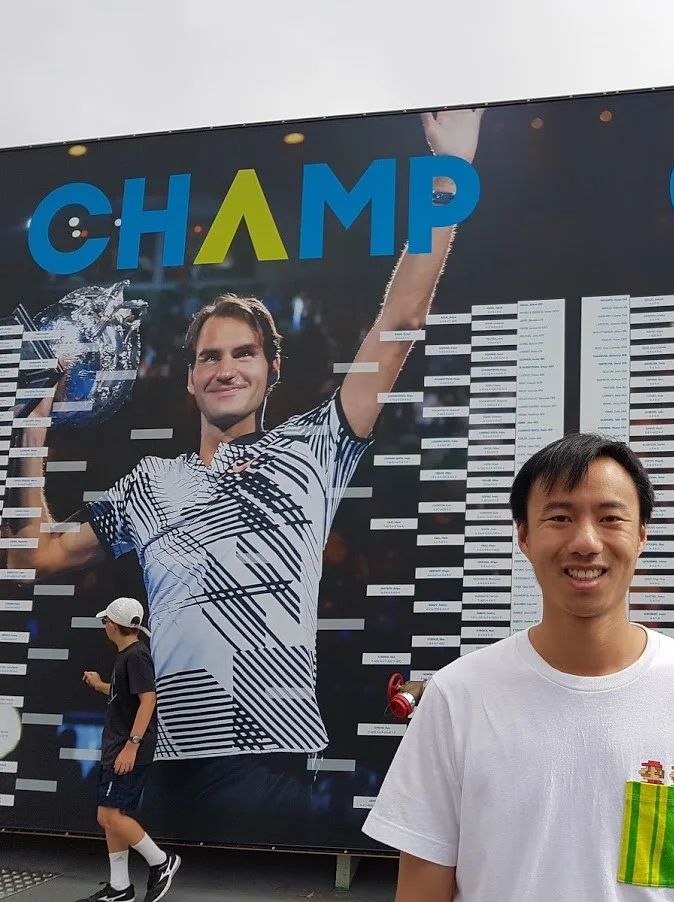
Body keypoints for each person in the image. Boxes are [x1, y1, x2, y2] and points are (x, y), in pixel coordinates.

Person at [5, 108, 484, 842]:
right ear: (190, 381)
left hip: (267, 760)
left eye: (243, 354)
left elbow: (403, 316)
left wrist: (451, 174)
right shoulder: (147, 483)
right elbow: (32, 552)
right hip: (161, 759)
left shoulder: (317, 444)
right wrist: (36, 425)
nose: (225, 366)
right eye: (209, 357)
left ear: (269, 372)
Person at [362, 433, 674, 901]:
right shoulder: (458, 696)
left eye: (611, 518)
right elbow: (420, 890)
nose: (586, 542)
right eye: (560, 518)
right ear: (524, 537)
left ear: (641, 536)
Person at [78, 597, 182, 902]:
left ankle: (161, 862)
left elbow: (149, 700)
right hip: (118, 746)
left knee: (108, 815)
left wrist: (131, 746)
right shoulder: (129, 655)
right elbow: (128, 695)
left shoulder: (135, 656)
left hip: (126, 748)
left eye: (105, 621)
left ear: (112, 625)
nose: (104, 626)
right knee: (113, 814)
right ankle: (120, 888)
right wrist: (100, 686)